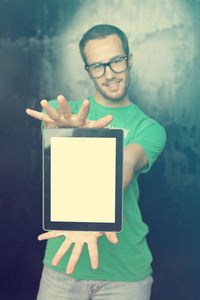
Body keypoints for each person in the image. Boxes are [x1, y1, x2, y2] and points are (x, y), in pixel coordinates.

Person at [26, 24, 166, 300]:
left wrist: (93, 146)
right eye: (98, 66)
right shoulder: (64, 113)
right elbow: (60, 164)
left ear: (129, 59)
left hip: (125, 275)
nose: (109, 74)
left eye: (116, 61)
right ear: (87, 70)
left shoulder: (150, 129)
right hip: (63, 266)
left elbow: (125, 166)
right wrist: (72, 133)